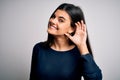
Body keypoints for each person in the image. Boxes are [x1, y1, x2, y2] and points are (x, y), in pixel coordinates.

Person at [30, 3, 102, 80]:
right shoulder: (39, 48)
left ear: (72, 28)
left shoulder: (80, 53)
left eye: (61, 20)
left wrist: (82, 46)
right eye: (53, 17)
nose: (53, 21)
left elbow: (95, 79)